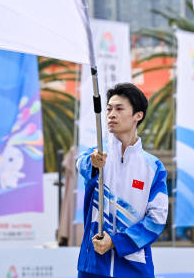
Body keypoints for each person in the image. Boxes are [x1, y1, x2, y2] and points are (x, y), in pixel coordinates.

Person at [76, 82, 168, 278]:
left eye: (119, 109)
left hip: (135, 269)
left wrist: (115, 242)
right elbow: (82, 164)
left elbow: (157, 219)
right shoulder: (96, 155)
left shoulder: (154, 168)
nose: (111, 114)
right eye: (109, 109)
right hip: (93, 267)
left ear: (138, 115)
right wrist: (94, 164)